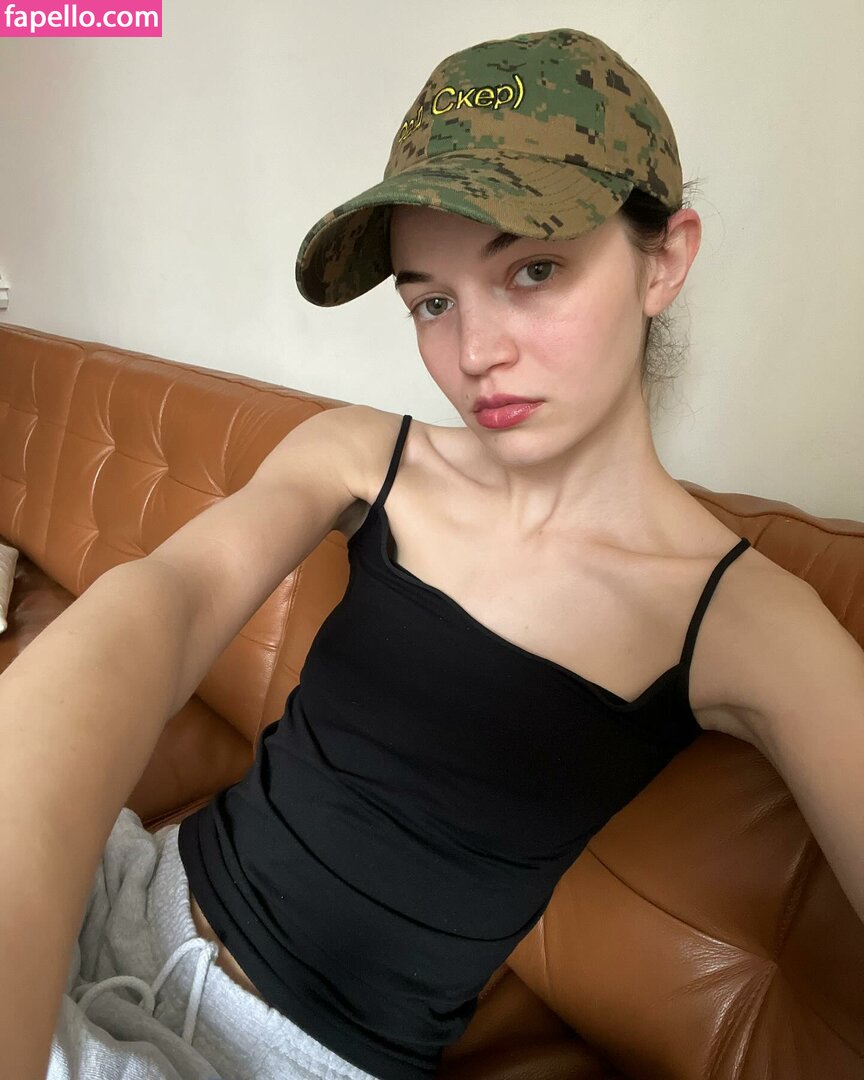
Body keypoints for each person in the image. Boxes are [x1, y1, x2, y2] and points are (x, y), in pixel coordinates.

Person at [3, 24, 863, 1080]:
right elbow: (172, 600)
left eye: (534, 268)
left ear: (665, 260)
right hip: (128, 886)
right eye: (433, 302)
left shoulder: (740, 619)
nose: (473, 353)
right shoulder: (363, 456)